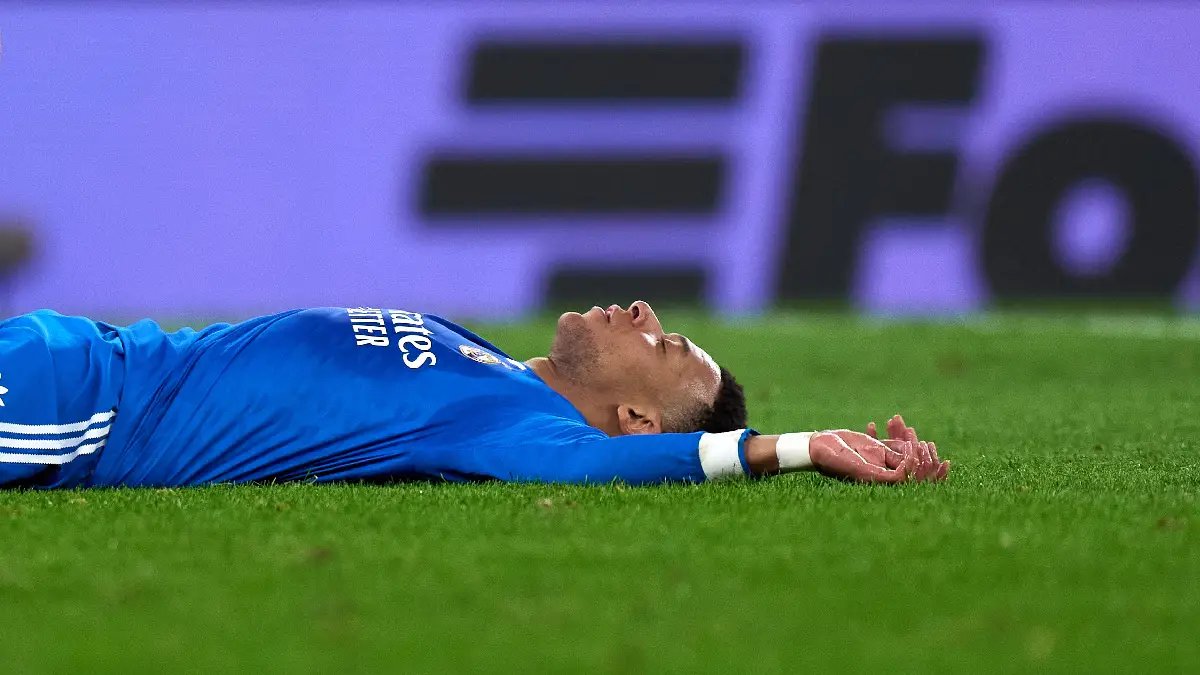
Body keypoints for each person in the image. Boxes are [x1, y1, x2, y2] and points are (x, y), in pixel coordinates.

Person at [0, 301, 948, 489]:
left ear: (634, 417)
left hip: (79, 413)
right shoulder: (491, 364)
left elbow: (618, 468)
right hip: (78, 344)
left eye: (662, 346)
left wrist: (788, 446)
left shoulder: (523, 429)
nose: (644, 312)